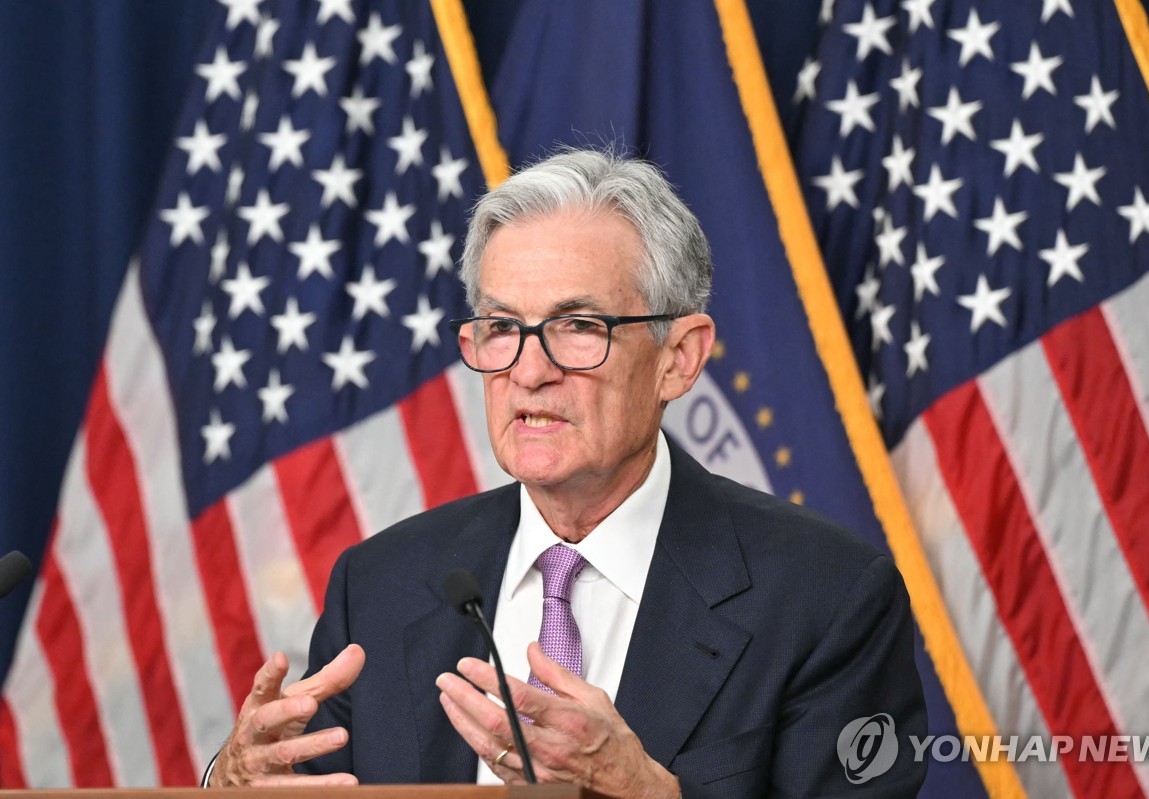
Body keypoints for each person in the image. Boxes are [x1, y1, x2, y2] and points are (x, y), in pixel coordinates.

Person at [206, 148, 927, 796]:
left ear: (679, 357)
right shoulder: (382, 583)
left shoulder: (826, 597)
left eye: (578, 327)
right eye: (501, 328)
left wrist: (648, 794)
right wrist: (229, 782)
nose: (529, 371)